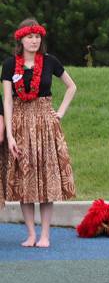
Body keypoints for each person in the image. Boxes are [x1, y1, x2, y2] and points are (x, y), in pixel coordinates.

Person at [2, 19, 77, 248]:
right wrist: (10, 135)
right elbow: (7, 100)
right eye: (29, 37)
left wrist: (59, 113)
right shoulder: (9, 65)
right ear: (21, 39)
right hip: (20, 125)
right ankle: (31, 234)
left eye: (37, 37)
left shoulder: (50, 61)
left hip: (45, 124)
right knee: (25, 181)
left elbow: (72, 86)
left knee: (46, 179)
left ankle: (45, 235)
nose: (34, 41)